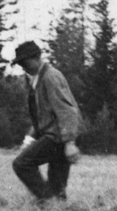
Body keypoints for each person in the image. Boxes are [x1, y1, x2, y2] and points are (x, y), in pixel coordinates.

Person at [11, 40, 82, 202]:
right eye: (20, 63)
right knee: (57, 188)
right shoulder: (39, 79)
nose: (23, 66)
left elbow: (67, 110)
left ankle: (48, 204)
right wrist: (30, 139)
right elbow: (42, 116)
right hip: (58, 135)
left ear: (36, 58)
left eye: (24, 62)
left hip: (60, 136)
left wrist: (70, 143)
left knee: (21, 164)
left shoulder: (50, 77)